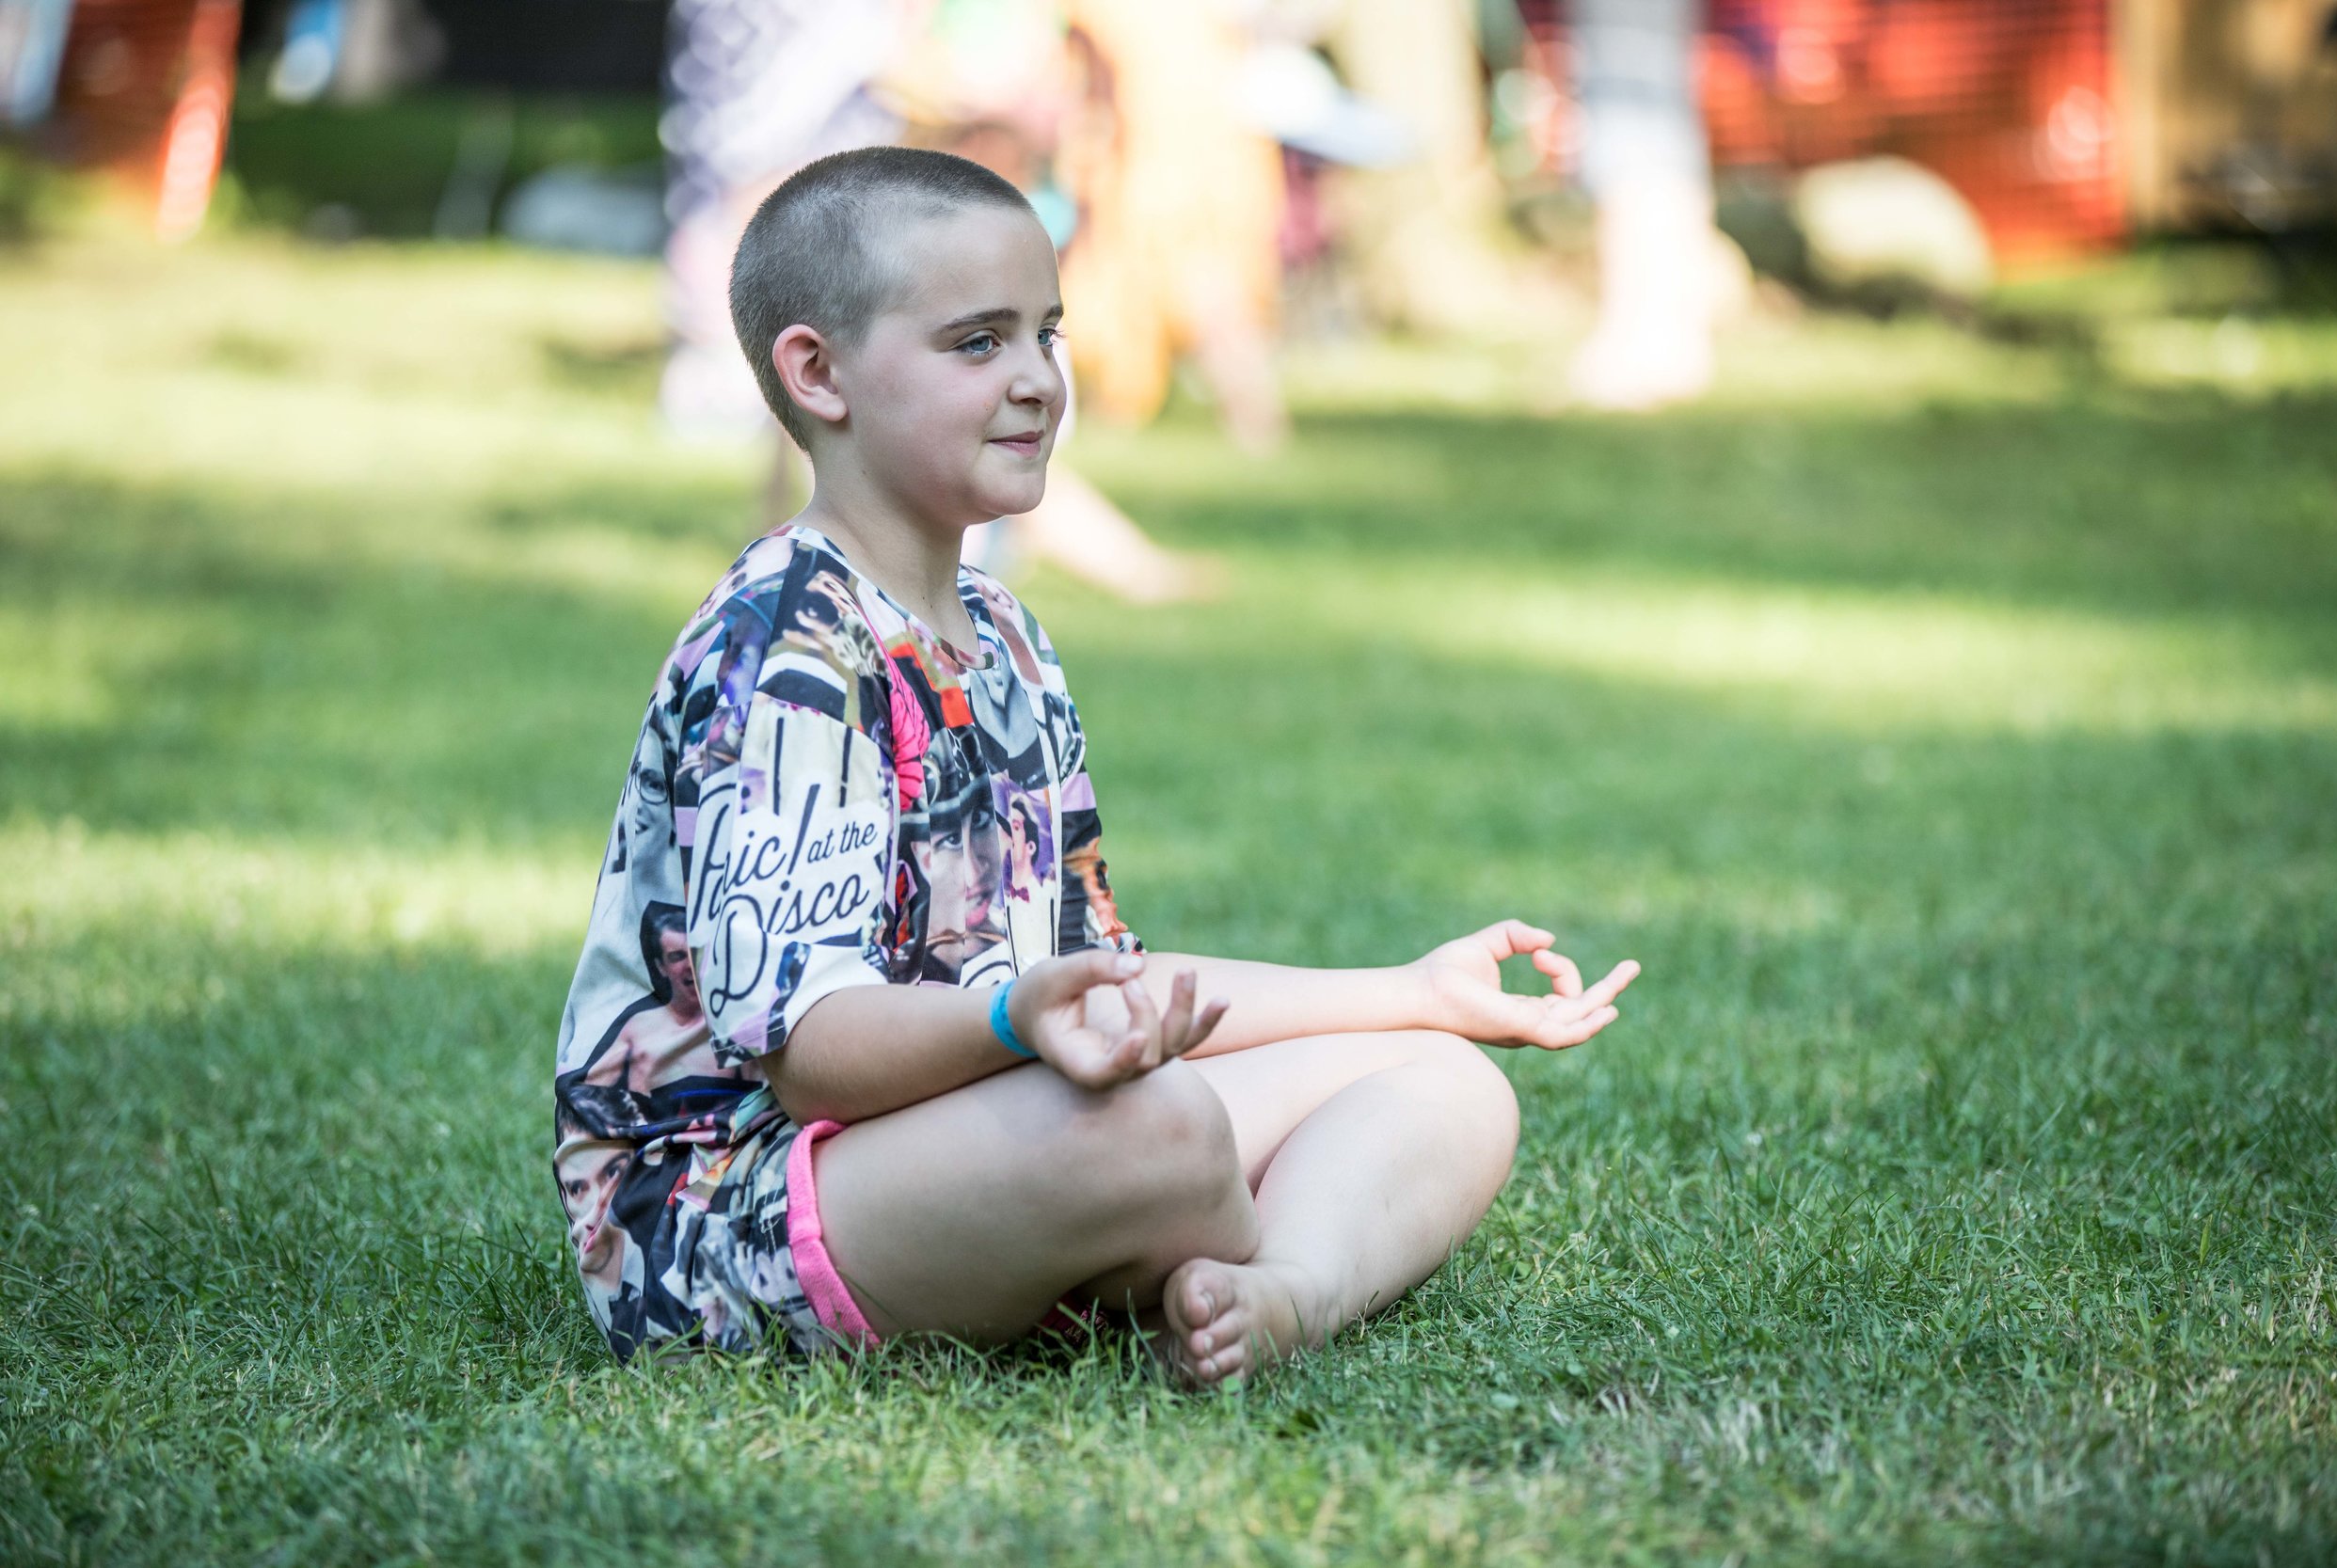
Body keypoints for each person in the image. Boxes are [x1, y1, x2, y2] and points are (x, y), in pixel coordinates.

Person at [550, 146, 1639, 1382]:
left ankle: (1277, 1290)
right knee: (1160, 1125)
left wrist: (1413, 992)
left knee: (1447, 1088)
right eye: (976, 343)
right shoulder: (789, 643)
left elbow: (1102, 987)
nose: (1036, 382)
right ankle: (1193, 1238)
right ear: (819, 373)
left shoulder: (1004, 635)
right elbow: (816, 1055)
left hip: (970, 1141)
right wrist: (1019, 1020)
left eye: (1045, 334)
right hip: (723, 1224)